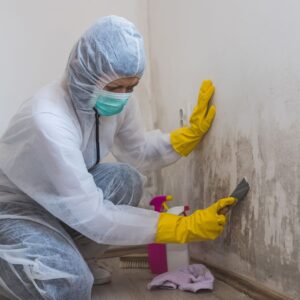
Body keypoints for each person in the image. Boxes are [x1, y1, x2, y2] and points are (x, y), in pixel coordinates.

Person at [0, 15, 236, 300]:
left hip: (61, 201)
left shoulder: (115, 99)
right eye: (115, 88)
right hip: (17, 208)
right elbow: (93, 215)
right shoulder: (47, 119)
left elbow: (138, 152)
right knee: (68, 284)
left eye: (131, 87)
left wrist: (186, 137)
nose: (123, 96)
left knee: (126, 179)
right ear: (83, 73)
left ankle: (76, 258)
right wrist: (181, 227)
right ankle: (14, 263)